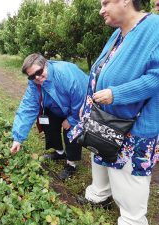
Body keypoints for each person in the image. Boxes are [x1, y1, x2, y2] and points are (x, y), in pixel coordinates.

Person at [69, 0, 159, 224]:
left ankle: (132, 219)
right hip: (104, 118)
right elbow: (100, 71)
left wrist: (118, 94)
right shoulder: (120, 33)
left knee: (128, 176)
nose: (101, 10)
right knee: (100, 154)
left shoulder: (155, 28)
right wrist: (87, 103)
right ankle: (100, 195)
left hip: (132, 124)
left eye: (105, 3)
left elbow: (156, 77)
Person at [10, 53, 88, 180]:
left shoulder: (66, 74)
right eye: (32, 76)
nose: (38, 77)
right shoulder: (34, 82)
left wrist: (71, 119)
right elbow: (28, 107)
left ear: (45, 64)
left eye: (39, 72)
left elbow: (82, 99)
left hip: (76, 109)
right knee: (49, 126)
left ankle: (71, 164)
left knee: (71, 131)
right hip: (54, 107)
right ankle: (59, 153)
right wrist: (17, 138)